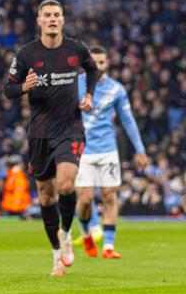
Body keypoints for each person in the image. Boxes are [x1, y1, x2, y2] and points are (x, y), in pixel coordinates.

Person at [3, 0, 99, 277]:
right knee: (46, 197)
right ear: (39, 20)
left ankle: (66, 233)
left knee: (66, 184)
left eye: (57, 14)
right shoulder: (27, 54)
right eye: (47, 15)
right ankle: (57, 255)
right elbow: (8, 90)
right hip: (40, 134)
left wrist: (89, 94)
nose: (53, 19)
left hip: (70, 128)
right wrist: (24, 86)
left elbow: (93, 69)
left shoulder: (76, 49)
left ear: (63, 20)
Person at [74, 46, 149, 259]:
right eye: (94, 62)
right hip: (82, 150)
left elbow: (128, 120)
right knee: (85, 199)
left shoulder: (116, 89)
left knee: (109, 195)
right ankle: (86, 233)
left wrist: (140, 150)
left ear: (107, 63)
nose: (98, 66)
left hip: (108, 149)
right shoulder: (75, 85)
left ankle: (108, 246)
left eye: (101, 62)